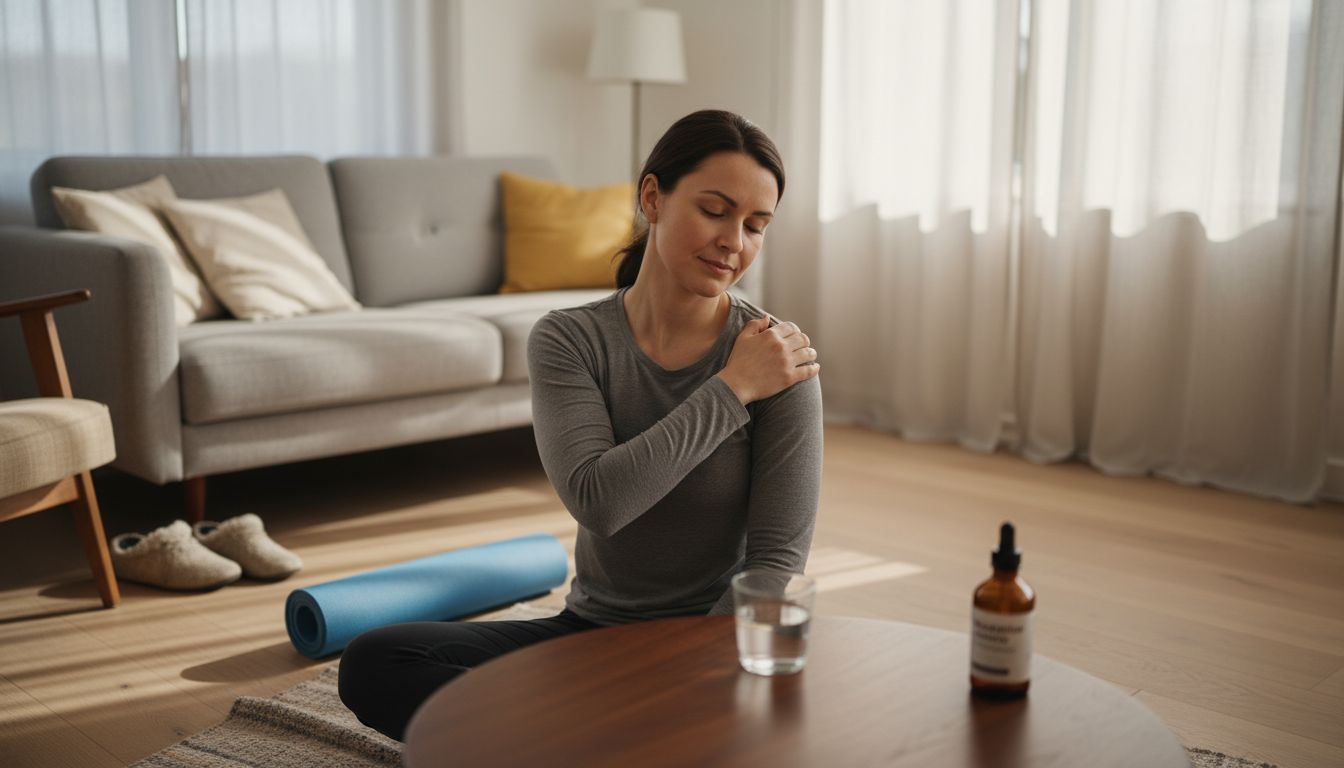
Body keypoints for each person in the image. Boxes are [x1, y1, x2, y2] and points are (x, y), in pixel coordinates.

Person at [338, 109, 823, 742]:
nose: (735, 241)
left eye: (756, 225)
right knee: (376, 661)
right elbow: (602, 500)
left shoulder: (778, 360)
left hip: (708, 647)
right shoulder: (571, 339)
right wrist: (732, 388)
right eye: (714, 210)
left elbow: (775, 566)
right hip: (591, 634)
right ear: (653, 197)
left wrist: (689, 669)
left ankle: (569, 739)